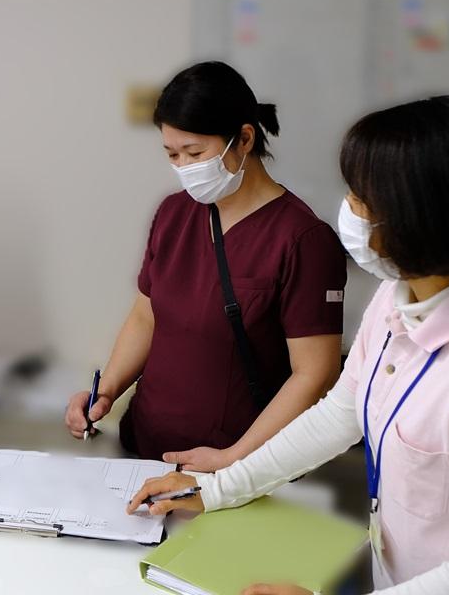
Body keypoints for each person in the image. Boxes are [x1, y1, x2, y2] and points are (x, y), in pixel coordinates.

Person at [129, 95, 449, 595]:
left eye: (362, 196)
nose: (349, 209)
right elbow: (341, 412)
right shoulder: (397, 297)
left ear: (417, 217)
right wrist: (217, 489)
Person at [65, 61, 347, 471]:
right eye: (173, 154)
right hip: (144, 447)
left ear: (245, 138)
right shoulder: (174, 213)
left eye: (195, 153)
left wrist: (235, 459)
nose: (184, 166)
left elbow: (315, 374)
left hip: (234, 465)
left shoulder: (303, 240)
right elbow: (146, 316)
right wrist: (104, 392)